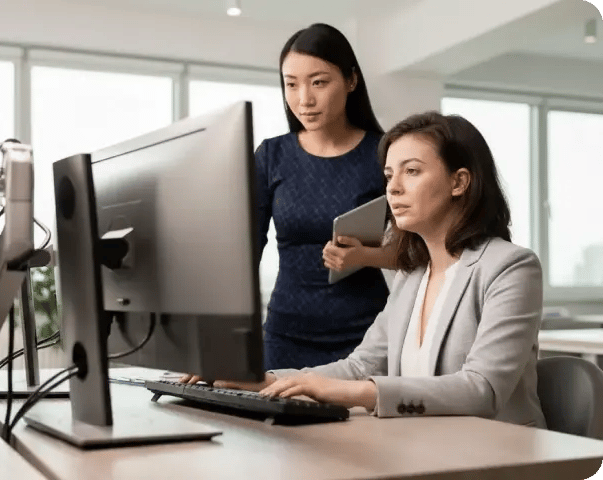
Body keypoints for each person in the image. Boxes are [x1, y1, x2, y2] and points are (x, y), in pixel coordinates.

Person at [186, 111, 546, 427]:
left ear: (459, 182)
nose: (394, 187)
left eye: (412, 171)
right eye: (389, 175)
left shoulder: (510, 267)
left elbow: (481, 389)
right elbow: (361, 366)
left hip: (501, 456)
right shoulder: (412, 275)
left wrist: (353, 393)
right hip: (426, 448)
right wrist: (262, 381)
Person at [255, 23, 392, 370]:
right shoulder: (272, 156)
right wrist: (221, 342)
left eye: (318, 82)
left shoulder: (384, 153)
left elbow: (420, 251)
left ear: (350, 80)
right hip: (285, 336)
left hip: (367, 337)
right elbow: (243, 252)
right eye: (291, 84)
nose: (304, 99)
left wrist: (367, 257)